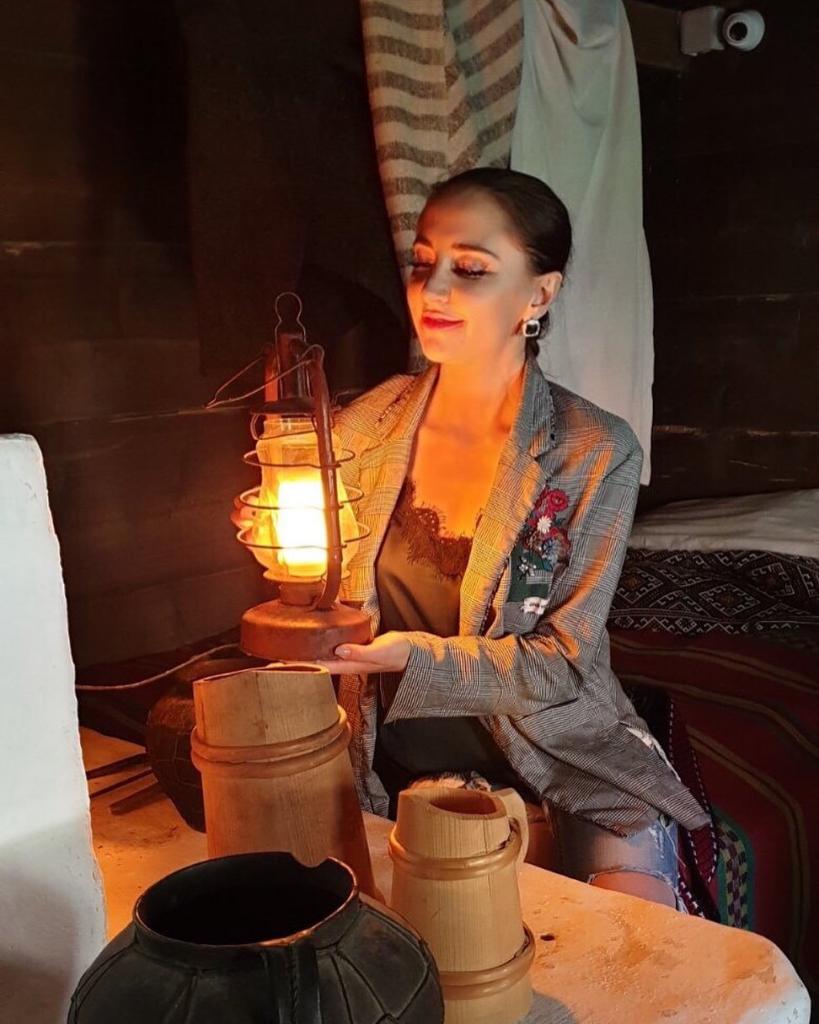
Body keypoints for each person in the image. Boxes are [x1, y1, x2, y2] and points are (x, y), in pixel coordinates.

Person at [318, 168, 708, 907]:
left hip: (558, 751)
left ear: (538, 294)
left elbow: (562, 664)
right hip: (382, 756)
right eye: (422, 262)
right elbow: (324, 605)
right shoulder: (359, 430)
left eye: (470, 269)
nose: (432, 290)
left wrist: (413, 658)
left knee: (638, 945)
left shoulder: (591, 450)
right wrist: (288, 558)